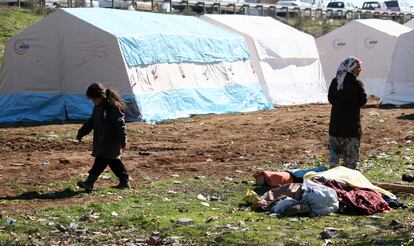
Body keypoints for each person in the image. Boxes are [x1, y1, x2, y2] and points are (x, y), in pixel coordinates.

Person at [77, 83, 129, 192]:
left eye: (94, 99)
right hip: (102, 140)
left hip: (112, 141)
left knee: (100, 161)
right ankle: (124, 181)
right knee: (114, 161)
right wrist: (81, 132)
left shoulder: (113, 106)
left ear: (100, 96)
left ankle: (89, 182)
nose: (93, 101)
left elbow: (120, 124)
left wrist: (123, 140)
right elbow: (91, 121)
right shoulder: (97, 107)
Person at [328, 56, 367, 170]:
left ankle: (331, 181)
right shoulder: (356, 83)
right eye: (358, 67)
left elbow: (331, 99)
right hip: (351, 129)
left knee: (334, 159)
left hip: (335, 128)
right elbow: (363, 101)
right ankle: (346, 184)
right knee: (350, 162)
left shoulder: (335, 81)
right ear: (351, 68)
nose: (360, 69)